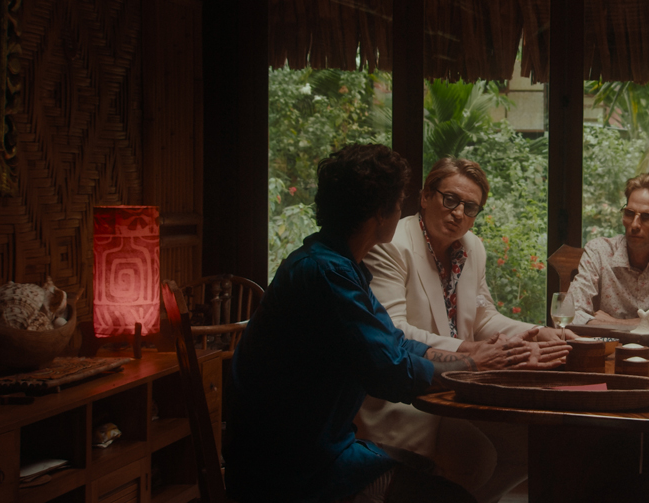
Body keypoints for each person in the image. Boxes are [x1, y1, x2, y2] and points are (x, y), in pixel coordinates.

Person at [225, 145, 546, 503]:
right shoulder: (326, 273)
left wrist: (474, 359)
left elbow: (394, 342)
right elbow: (390, 369)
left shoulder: (336, 265)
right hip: (294, 467)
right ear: (380, 213)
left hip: (316, 447)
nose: (402, 211)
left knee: (488, 458)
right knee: (454, 491)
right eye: (399, 202)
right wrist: (471, 364)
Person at [357, 157, 572, 502]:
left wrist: (536, 331)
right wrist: (471, 352)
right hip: (404, 389)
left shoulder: (472, 246)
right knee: (476, 457)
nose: (458, 213)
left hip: (459, 386)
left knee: (527, 444)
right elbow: (395, 331)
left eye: (470, 207)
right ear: (425, 196)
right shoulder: (392, 243)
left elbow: (483, 317)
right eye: (450, 199)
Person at [567, 173, 649, 324]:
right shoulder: (599, 251)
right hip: (606, 341)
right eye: (629, 213)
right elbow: (569, 314)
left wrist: (616, 323)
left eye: (647, 217)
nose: (634, 225)